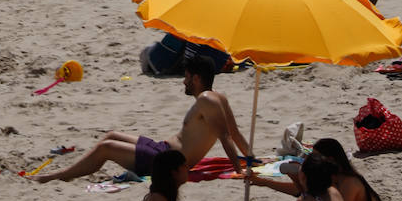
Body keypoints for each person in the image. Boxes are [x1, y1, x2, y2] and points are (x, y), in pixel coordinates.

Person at [35, 54, 250, 183]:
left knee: (106, 148)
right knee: (111, 135)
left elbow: (225, 136)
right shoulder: (219, 98)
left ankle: (58, 176)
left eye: (186, 77)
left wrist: (240, 171)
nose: (183, 82)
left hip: (166, 162)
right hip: (162, 148)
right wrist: (251, 158)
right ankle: (72, 170)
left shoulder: (206, 100)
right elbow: (235, 132)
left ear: (195, 77)